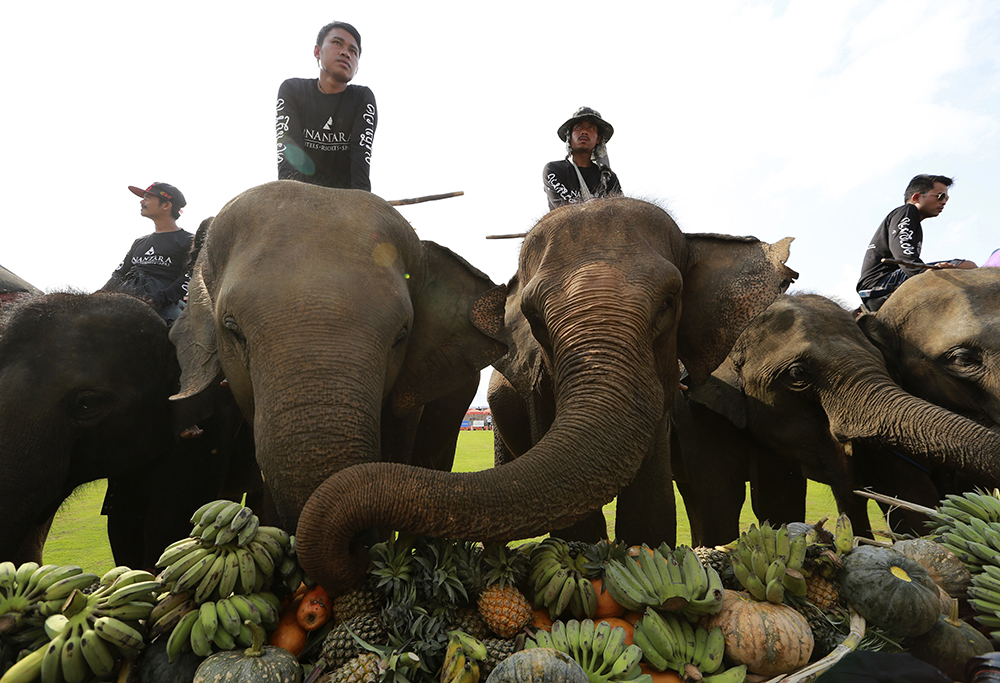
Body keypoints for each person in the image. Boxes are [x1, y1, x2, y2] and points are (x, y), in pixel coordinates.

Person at [275, 21, 376, 191]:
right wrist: (289, 201)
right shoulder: (293, 90)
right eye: (337, 43)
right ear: (317, 51)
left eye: (353, 51)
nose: (345, 53)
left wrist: (362, 207)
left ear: (357, 67)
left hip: (345, 203)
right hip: (301, 198)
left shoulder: (362, 98)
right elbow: (289, 158)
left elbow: (361, 159)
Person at [856, 174, 976, 311]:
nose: (944, 202)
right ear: (916, 197)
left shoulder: (912, 221)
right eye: (940, 196)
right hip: (880, 284)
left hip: (882, 283)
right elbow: (902, 251)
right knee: (967, 266)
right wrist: (922, 271)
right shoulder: (907, 211)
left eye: (946, 198)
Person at [103, 182, 193, 325]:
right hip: (125, 299)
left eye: (148, 198)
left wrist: (160, 299)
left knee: (177, 335)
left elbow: (189, 277)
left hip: (165, 308)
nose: (142, 201)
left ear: (166, 206)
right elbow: (119, 274)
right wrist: (99, 295)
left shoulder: (188, 241)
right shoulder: (139, 242)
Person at [543, 106, 622, 211]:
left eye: (591, 128)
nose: (584, 131)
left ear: (598, 138)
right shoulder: (554, 170)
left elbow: (620, 212)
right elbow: (564, 211)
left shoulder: (608, 178)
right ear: (569, 136)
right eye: (579, 127)